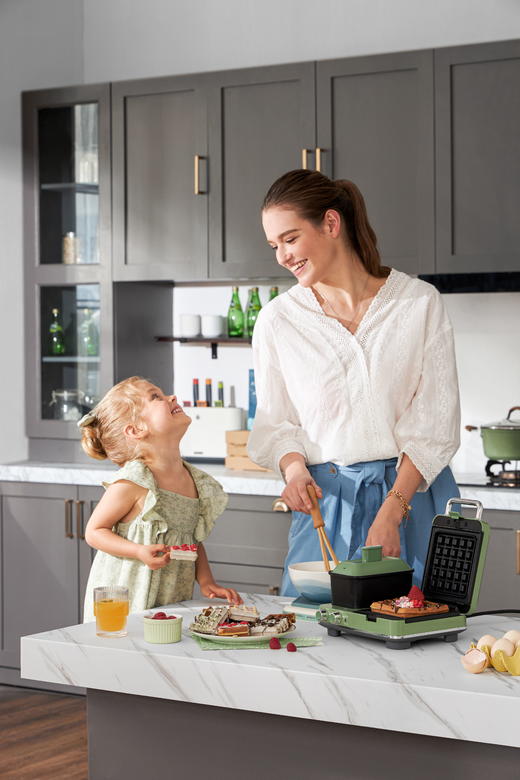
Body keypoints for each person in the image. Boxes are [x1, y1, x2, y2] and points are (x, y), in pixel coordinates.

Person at [248, 169, 460, 594]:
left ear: (330, 223)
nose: (282, 257)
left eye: (290, 239)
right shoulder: (277, 320)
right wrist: (294, 471)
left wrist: (392, 512)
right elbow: (275, 422)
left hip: (414, 499)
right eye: (274, 246)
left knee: (419, 623)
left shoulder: (418, 303)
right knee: (312, 628)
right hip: (328, 505)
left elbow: (435, 422)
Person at [79, 376, 242, 621]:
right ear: (136, 430)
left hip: (171, 601)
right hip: (125, 602)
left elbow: (191, 538)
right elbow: (94, 532)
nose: (171, 397)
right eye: (156, 397)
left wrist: (207, 581)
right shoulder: (135, 481)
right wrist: (138, 551)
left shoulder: (194, 480)